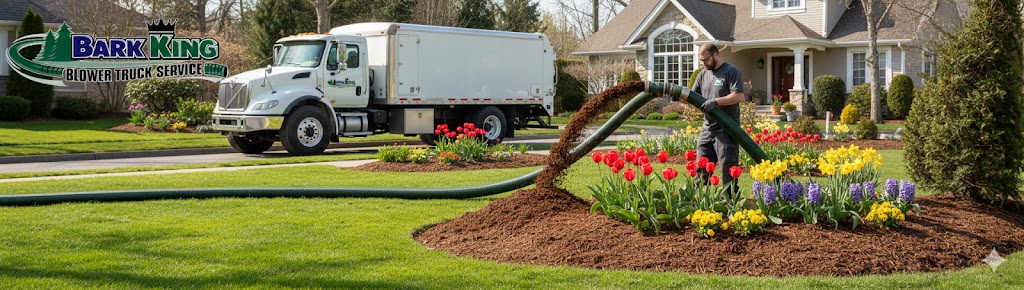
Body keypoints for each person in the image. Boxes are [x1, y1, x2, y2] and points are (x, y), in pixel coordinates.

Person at [690, 43, 745, 197]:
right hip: (708, 128)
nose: (703, 63)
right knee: (701, 167)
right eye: (701, 61)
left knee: (728, 168)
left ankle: (731, 201)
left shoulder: (730, 71)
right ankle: (699, 200)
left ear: (715, 55)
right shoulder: (702, 74)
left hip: (727, 129)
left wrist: (715, 102)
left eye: (705, 60)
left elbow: (739, 96)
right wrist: (677, 95)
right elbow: (693, 96)